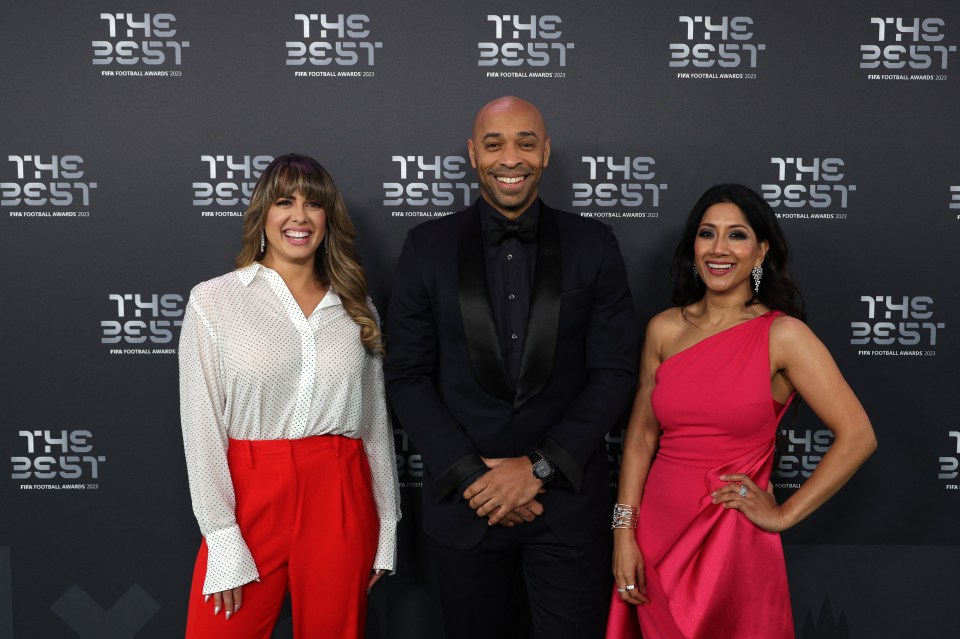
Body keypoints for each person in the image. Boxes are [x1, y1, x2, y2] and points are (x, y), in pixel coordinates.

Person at [383, 96, 638, 639]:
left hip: (566, 508)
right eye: (494, 143)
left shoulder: (594, 244)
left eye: (526, 142)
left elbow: (614, 373)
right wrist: (479, 478)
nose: (510, 157)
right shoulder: (426, 247)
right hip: (465, 509)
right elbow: (406, 376)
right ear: (474, 155)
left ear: (545, 152)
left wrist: (536, 470)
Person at [606, 183, 877, 639]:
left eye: (737, 235)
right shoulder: (664, 330)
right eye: (707, 233)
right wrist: (623, 532)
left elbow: (858, 435)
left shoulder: (783, 335)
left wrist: (784, 514)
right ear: (693, 246)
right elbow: (640, 439)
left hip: (730, 539)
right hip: (654, 532)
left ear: (760, 251)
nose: (719, 248)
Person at [179, 153, 400, 638]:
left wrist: (387, 525)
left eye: (313, 205)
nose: (299, 216)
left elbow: (375, 427)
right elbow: (201, 427)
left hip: (340, 491)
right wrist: (221, 535)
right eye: (285, 202)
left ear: (328, 220)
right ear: (263, 214)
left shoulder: (357, 308)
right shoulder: (214, 300)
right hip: (251, 494)